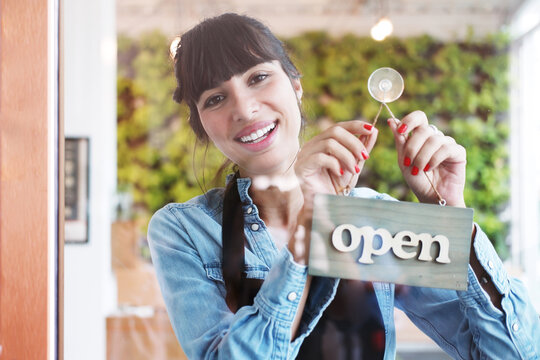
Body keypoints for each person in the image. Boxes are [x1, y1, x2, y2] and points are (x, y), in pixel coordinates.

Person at [147, 13, 540, 360]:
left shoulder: (371, 218)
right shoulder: (183, 231)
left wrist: (451, 215)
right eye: (216, 98)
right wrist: (309, 228)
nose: (245, 109)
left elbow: (509, 353)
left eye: (259, 77)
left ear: (296, 86)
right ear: (201, 125)